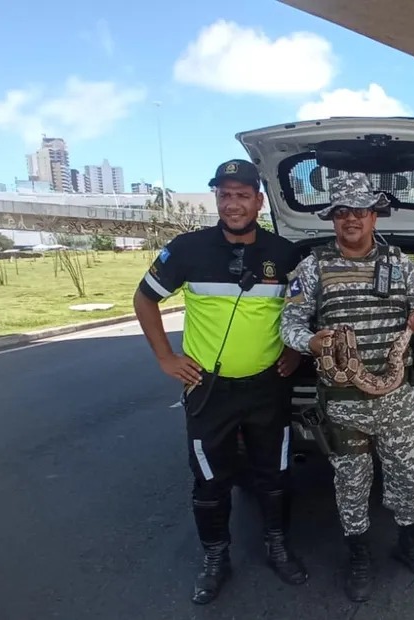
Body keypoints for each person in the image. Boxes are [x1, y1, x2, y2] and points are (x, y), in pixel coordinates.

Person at [133, 159, 308, 605]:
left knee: (275, 474)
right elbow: (144, 298)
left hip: (267, 388)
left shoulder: (285, 255)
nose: (233, 204)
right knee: (209, 481)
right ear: (216, 198)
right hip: (208, 391)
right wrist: (165, 357)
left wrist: (293, 351)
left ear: (259, 202)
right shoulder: (187, 249)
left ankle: (276, 545)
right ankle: (215, 558)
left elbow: (306, 310)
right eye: (225, 195)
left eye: (242, 195)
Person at [279, 172, 414, 602]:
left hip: (395, 398)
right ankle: (359, 554)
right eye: (342, 212)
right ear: (333, 218)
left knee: (407, 473)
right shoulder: (312, 267)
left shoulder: (400, 264)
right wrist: (311, 341)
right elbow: (290, 325)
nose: (351, 218)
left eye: (360, 211)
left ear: (374, 216)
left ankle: (410, 544)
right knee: (351, 481)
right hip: (343, 402)